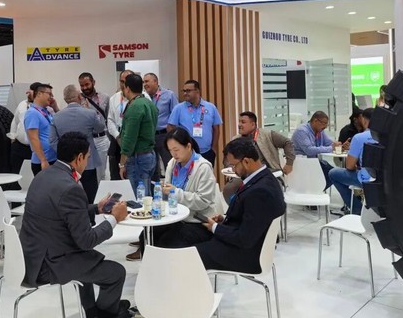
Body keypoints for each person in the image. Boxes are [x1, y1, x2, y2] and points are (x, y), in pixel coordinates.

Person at [20, 132, 132, 318]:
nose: (87, 162)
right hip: (50, 264)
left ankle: (92, 314)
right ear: (79, 157)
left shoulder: (44, 175)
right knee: (116, 272)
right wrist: (114, 218)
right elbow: (86, 240)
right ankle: (106, 317)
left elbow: (61, 213)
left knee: (86, 259)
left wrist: (96, 208)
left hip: (31, 255)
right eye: (87, 157)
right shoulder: (70, 187)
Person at [195, 138, 286, 274]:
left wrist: (215, 228)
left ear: (246, 161)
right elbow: (251, 217)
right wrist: (224, 218)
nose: (233, 170)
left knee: (191, 254)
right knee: (192, 235)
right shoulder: (264, 178)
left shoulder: (260, 192)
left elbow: (245, 239)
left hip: (248, 256)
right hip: (246, 242)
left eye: (233, 166)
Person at [126, 127, 217, 261]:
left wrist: (175, 192)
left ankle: (168, 270)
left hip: (197, 221)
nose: (174, 154)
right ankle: (150, 268)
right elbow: (167, 193)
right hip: (176, 217)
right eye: (170, 150)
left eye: (176, 150)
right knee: (147, 235)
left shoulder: (203, 167)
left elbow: (203, 201)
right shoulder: (173, 163)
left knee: (168, 242)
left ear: (188, 146)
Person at [223, 111, 295, 203]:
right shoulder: (236, 140)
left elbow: (287, 143)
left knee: (268, 190)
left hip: (269, 172)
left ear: (253, 124)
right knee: (229, 189)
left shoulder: (267, 134)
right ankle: (236, 209)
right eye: (239, 122)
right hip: (244, 174)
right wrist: (230, 167)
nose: (239, 125)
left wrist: (289, 163)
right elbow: (227, 159)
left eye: (243, 122)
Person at [50, 85, 105, 203]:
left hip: (67, 164)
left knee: (69, 196)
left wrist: (64, 155)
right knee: (91, 195)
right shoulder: (90, 114)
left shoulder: (56, 117)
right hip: (88, 162)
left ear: (65, 100)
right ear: (80, 96)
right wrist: (92, 112)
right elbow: (100, 128)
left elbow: (52, 141)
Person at [329, 108, 377, 215]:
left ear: (364, 120)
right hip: (387, 179)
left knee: (333, 173)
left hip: (366, 179)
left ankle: (357, 209)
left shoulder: (359, 138)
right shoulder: (390, 136)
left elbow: (349, 166)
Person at [167, 79, 223, 165]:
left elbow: (216, 129)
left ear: (197, 91)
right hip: (186, 152)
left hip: (207, 152)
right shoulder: (178, 108)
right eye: (184, 91)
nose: (185, 93)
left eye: (188, 91)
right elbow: (170, 127)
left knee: (206, 173)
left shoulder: (211, 107)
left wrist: (214, 148)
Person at [118, 74, 158, 194]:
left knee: (139, 196)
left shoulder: (135, 107)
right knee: (146, 194)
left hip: (138, 158)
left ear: (127, 88)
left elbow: (129, 138)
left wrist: (122, 164)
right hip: (149, 154)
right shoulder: (149, 103)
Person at [292, 111, 350, 189]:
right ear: (315, 121)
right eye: (324, 123)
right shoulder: (302, 131)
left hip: (315, 161)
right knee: (333, 174)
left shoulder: (319, 131)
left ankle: (317, 190)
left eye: (326, 124)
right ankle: (316, 190)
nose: (325, 126)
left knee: (334, 173)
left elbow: (329, 143)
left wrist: (340, 146)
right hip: (303, 162)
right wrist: (331, 148)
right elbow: (309, 150)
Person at [143, 72, 178, 179]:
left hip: (164, 135)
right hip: (149, 136)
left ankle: (172, 185)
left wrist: (172, 134)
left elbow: (176, 114)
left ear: (155, 81)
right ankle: (154, 187)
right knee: (152, 166)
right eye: (144, 82)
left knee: (169, 164)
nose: (145, 84)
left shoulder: (169, 95)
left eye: (147, 81)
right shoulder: (143, 97)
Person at [79, 72, 110, 183]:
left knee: (101, 172)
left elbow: (108, 118)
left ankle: (101, 192)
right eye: (82, 85)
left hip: (101, 139)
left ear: (93, 82)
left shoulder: (105, 97)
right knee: (86, 171)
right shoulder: (78, 99)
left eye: (87, 84)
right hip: (86, 139)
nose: (84, 88)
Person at [25, 83, 58, 175]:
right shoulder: (32, 113)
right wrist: (43, 160)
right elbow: (33, 138)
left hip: (52, 158)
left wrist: (55, 107)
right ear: (39, 94)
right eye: (49, 94)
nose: (51, 97)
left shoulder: (46, 111)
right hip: (43, 161)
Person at [107, 70, 134, 181]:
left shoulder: (143, 97)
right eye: (122, 81)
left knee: (132, 176)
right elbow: (110, 120)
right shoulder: (114, 98)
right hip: (117, 139)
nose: (124, 84)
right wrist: (118, 136)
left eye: (126, 81)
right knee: (115, 176)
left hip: (134, 141)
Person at [7, 82, 39, 176]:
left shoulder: (44, 108)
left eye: (31, 91)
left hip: (35, 149)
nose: (27, 93)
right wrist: (13, 138)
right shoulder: (22, 104)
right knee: (15, 173)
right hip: (19, 146)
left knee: (33, 174)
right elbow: (15, 121)